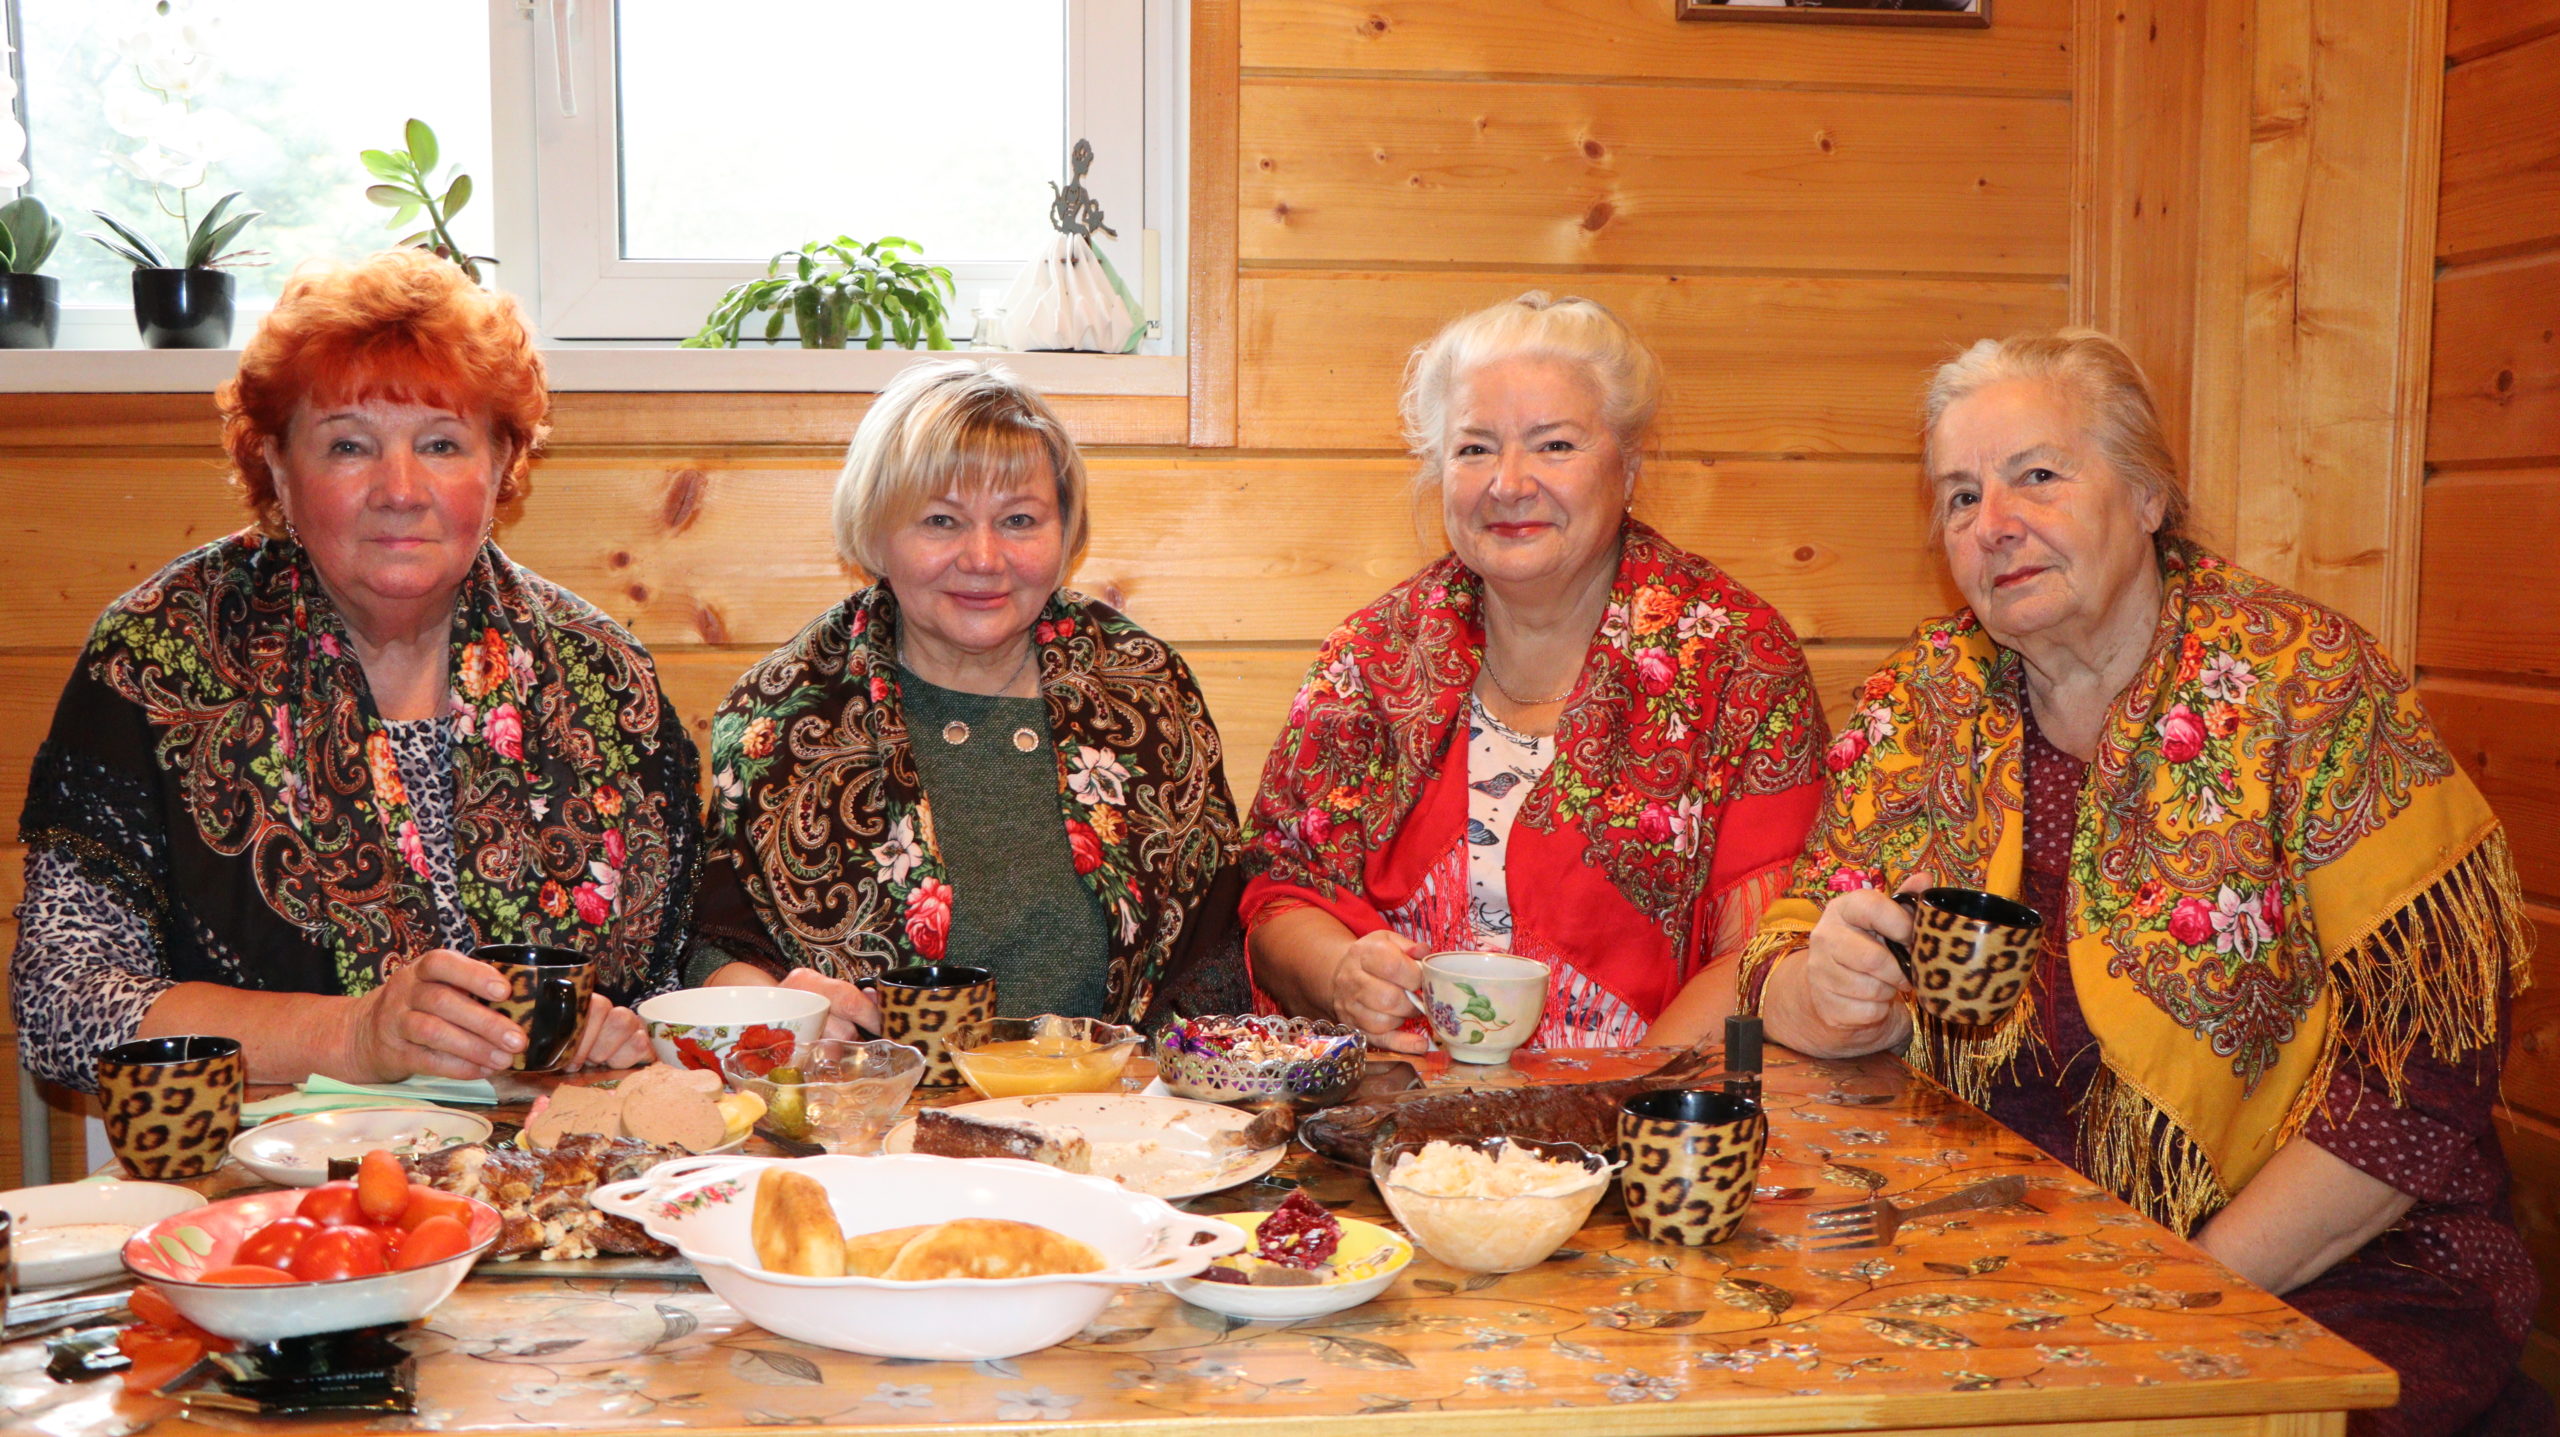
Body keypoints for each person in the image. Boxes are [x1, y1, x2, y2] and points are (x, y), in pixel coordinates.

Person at [1741, 331, 2547, 1436]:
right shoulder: (1921, 702)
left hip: (2330, 1267)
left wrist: (2174, 1297)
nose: (1993, 523)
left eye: (2036, 474)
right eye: (1959, 496)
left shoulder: (2304, 686)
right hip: (1997, 1243)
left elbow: (2427, 1060)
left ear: (2149, 493)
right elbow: (1780, 954)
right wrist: (1816, 993)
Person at [11, 249, 678, 1090]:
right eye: (350, 446)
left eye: (441, 443)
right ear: (279, 467)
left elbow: (677, 981)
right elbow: (62, 1004)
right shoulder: (156, 658)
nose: (400, 490)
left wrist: (626, 1030)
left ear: (504, 463)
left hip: (558, 1176)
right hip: (267, 1188)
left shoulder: (602, 673)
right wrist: (351, 1034)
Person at [1241, 293, 1828, 1053]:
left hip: (1651, 1126)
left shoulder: (1739, 661)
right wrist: (1342, 976)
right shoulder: (1370, 658)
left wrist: (1618, 1106)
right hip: (1398, 1133)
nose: (1510, 483)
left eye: (1553, 446)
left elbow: (1765, 950)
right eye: (1475, 448)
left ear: (1631, 464)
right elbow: (1277, 892)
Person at [693, 360, 1241, 1030]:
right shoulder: (782, 712)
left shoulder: (1148, 690)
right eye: (941, 521)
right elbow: (716, 942)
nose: (983, 557)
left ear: (1065, 532)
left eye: (1018, 519)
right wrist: (780, 1012)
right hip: (864, 1115)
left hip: (1119, 1116)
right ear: (875, 532)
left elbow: (1215, 952)